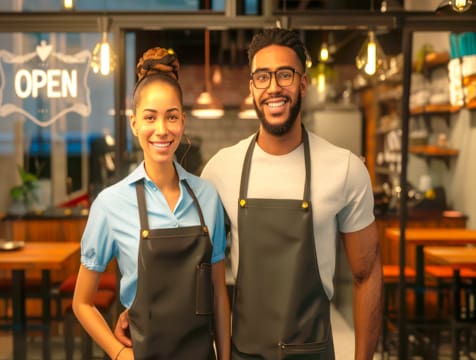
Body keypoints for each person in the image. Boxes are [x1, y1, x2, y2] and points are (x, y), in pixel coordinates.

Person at [115, 29, 383, 360]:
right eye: (262, 77)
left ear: (303, 83)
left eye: (285, 74)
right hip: (242, 354)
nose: (273, 87)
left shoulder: (344, 169)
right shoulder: (221, 170)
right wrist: (140, 309)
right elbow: (190, 262)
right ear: (252, 87)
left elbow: (367, 274)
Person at [72, 46, 231, 360]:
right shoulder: (110, 204)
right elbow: (82, 302)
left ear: (182, 122)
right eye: (150, 117)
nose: (162, 129)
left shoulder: (207, 197)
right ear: (134, 124)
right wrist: (118, 353)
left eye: (171, 117)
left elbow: (219, 295)